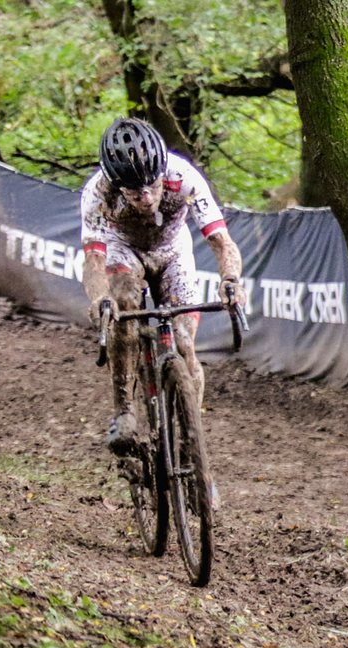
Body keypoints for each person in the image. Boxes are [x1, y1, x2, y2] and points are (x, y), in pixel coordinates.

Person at [79, 117, 242, 455]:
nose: (146, 197)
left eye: (151, 185)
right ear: (116, 183)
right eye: (134, 190)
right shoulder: (97, 193)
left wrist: (230, 281)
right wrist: (99, 298)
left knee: (184, 342)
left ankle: (192, 442)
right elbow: (94, 260)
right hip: (124, 250)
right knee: (123, 306)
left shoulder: (183, 177)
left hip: (172, 251)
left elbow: (222, 241)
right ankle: (124, 410)